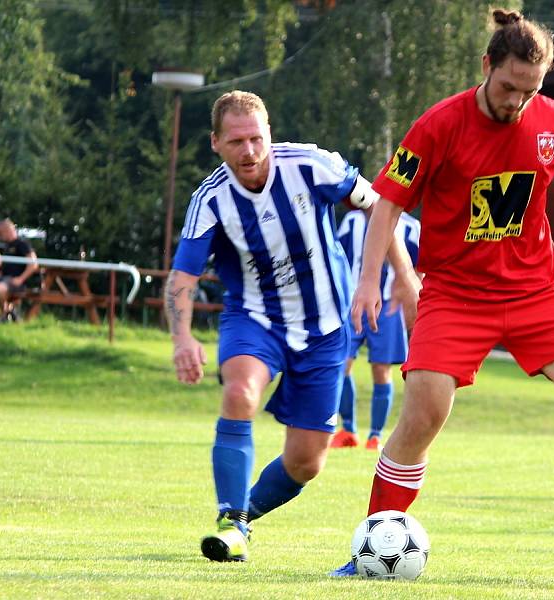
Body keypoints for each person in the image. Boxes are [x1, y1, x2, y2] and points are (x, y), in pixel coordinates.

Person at [331, 8, 554, 576]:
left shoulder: (553, 121)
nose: (516, 102)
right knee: (424, 413)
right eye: (508, 87)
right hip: (455, 295)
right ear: (487, 66)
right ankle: (369, 550)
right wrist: (368, 280)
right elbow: (387, 201)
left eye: (530, 91)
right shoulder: (439, 124)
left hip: (536, 291)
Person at [165, 90, 419, 563]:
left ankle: (244, 516)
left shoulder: (311, 166)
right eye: (236, 141)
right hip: (255, 320)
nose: (249, 151)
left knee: (306, 462)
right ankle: (230, 520)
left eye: (256, 138)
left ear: (269, 135)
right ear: (216, 143)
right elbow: (182, 277)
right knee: (239, 392)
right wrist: (182, 338)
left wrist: (402, 276)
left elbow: (378, 204)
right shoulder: (210, 201)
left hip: (326, 328)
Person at [330, 210, 420, 451]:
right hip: (352, 304)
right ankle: (348, 429)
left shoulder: (411, 227)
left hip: (388, 307)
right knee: (341, 364)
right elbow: (337, 255)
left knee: (381, 371)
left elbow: (419, 269)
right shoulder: (353, 220)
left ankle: (375, 436)